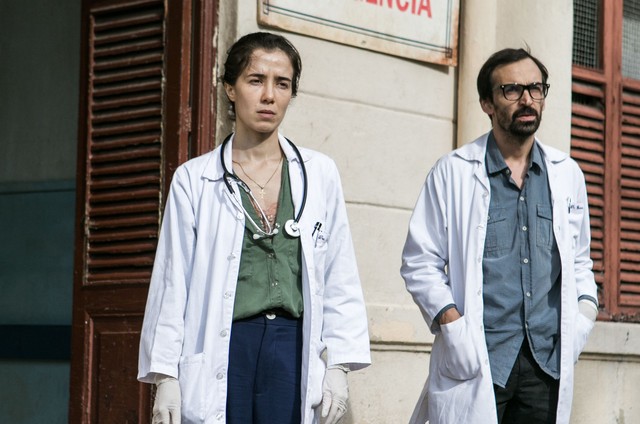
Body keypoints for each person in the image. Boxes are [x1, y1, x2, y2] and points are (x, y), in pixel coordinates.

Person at [138, 32, 371, 424]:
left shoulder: (319, 173)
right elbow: (172, 281)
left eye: (282, 84)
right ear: (230, 88)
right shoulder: (194, 180)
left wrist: (339, 366)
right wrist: (165, 375)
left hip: (290, 346)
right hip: (225, 343)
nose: (269, 96)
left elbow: (339, 272)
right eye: (255, 80)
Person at [400, 48, 598, 424]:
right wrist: (452, 322)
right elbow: (419, 262)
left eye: (535, 88)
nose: (527, 99)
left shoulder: (566, 173)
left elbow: (579, 260)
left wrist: (584, 315)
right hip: (480, 357)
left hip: (545, 364)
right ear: (487, 103)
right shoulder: (454, 172)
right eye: (512, 90)